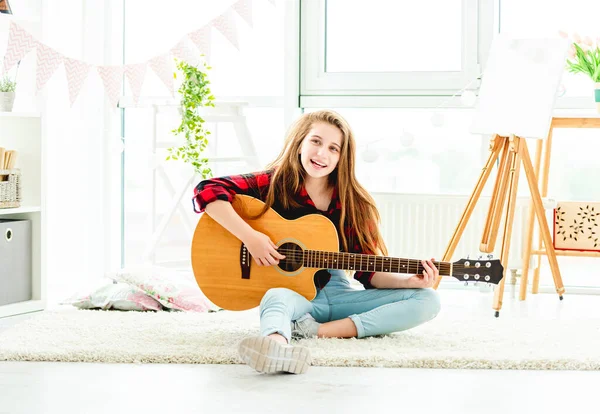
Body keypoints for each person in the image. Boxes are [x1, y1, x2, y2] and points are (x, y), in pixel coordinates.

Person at [192, 110, 441, 375]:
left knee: (428, 300)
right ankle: (276, 348)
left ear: (342, 158)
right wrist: (251, 238)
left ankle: (316, 331)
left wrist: (407, 282)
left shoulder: (355, 204)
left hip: (338, 295)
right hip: (294, 295)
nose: (322, 153)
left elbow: (369, 273)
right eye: (316, 141)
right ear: (300, 142)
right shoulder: (275, 182)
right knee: (275, 297)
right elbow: (208, 190)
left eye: (333, 148)